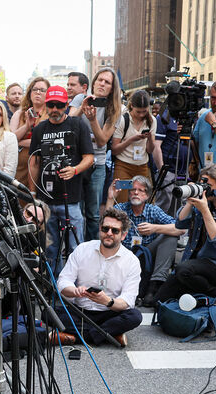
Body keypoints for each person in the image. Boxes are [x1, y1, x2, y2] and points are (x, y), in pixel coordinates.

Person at [153, 164, 216, 304]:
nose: (205, 188)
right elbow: (180, 223)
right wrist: (190, 202)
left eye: (208, 185)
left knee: (183, 271)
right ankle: (197, 290)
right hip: (195, 260)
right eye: (202, 184)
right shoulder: (205, 200)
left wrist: (205, 210)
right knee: (158, 301)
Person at [51, 208, 142, 348]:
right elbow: (63, 282)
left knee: (135, 316)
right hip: (80, 311)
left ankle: (75, 337)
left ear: (123, 235)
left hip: (110, 313)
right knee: (49, 312)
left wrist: (108, 301)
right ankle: (109, 335)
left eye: (115, 230)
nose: (109, 233)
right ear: (100, 229)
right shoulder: (82, 249)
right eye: (105, 229)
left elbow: (127, 301)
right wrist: (75, 291)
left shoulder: (131, 261)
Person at [28, 85, 94, 272]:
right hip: (46, 199)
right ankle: (53, 286)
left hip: (71, 198)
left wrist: (74, 170)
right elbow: (34, 163)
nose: (55, 109)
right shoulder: (40, 129)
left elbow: (89, 158)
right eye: (51, 105)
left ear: (66, 105)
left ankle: (74, 286)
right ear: (46, 106)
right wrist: (33, 194)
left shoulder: (77, 125)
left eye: (59, 105)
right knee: (50, 249)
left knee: (75, 248)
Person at [106, 175, 185, 305]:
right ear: (129, 193)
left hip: (147, 256)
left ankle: (154, 286)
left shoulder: (152, 210)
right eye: (133, 189)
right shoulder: (122, 209)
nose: (136, 193)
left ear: (147, 195)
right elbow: (106, 224)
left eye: (141, 190)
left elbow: (180, 228)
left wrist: (155, 228)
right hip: (125, 256)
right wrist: (110, 197)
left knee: (170, 236)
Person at [70, 67, 123, 241]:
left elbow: (102, 141)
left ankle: (92, 246)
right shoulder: (80, 98)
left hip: (97, 163)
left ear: (112, 88)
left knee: (93, 213)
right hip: (77, 161)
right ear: (93, 82)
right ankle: (76, 247)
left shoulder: (114, 109)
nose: (102, 84)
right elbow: (69, 124)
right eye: (100, 80)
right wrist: (82, 108)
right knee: (75, 210)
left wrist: (92, 120)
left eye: (107, 82)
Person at [111, 89, 162, 203]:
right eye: (138, 112)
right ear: (132, 106)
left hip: (142, 166)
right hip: (123, 166)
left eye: (144, 111)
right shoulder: (123, 120)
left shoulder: (152, 121)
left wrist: (150, 138)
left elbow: (150, 150)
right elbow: (114, 149)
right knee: (121, 202)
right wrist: (131, 140)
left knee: (142, 203)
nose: (141, 115)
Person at [10, 76, 49, 189]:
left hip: (41, 165)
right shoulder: (19, 114)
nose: (38, 92)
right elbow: (11, 139)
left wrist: (20, 142)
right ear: (29, 93)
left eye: (42, 90)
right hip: (20, 167)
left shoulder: (50, 114)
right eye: (35, 89)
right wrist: (27, 125)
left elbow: (43, 142)